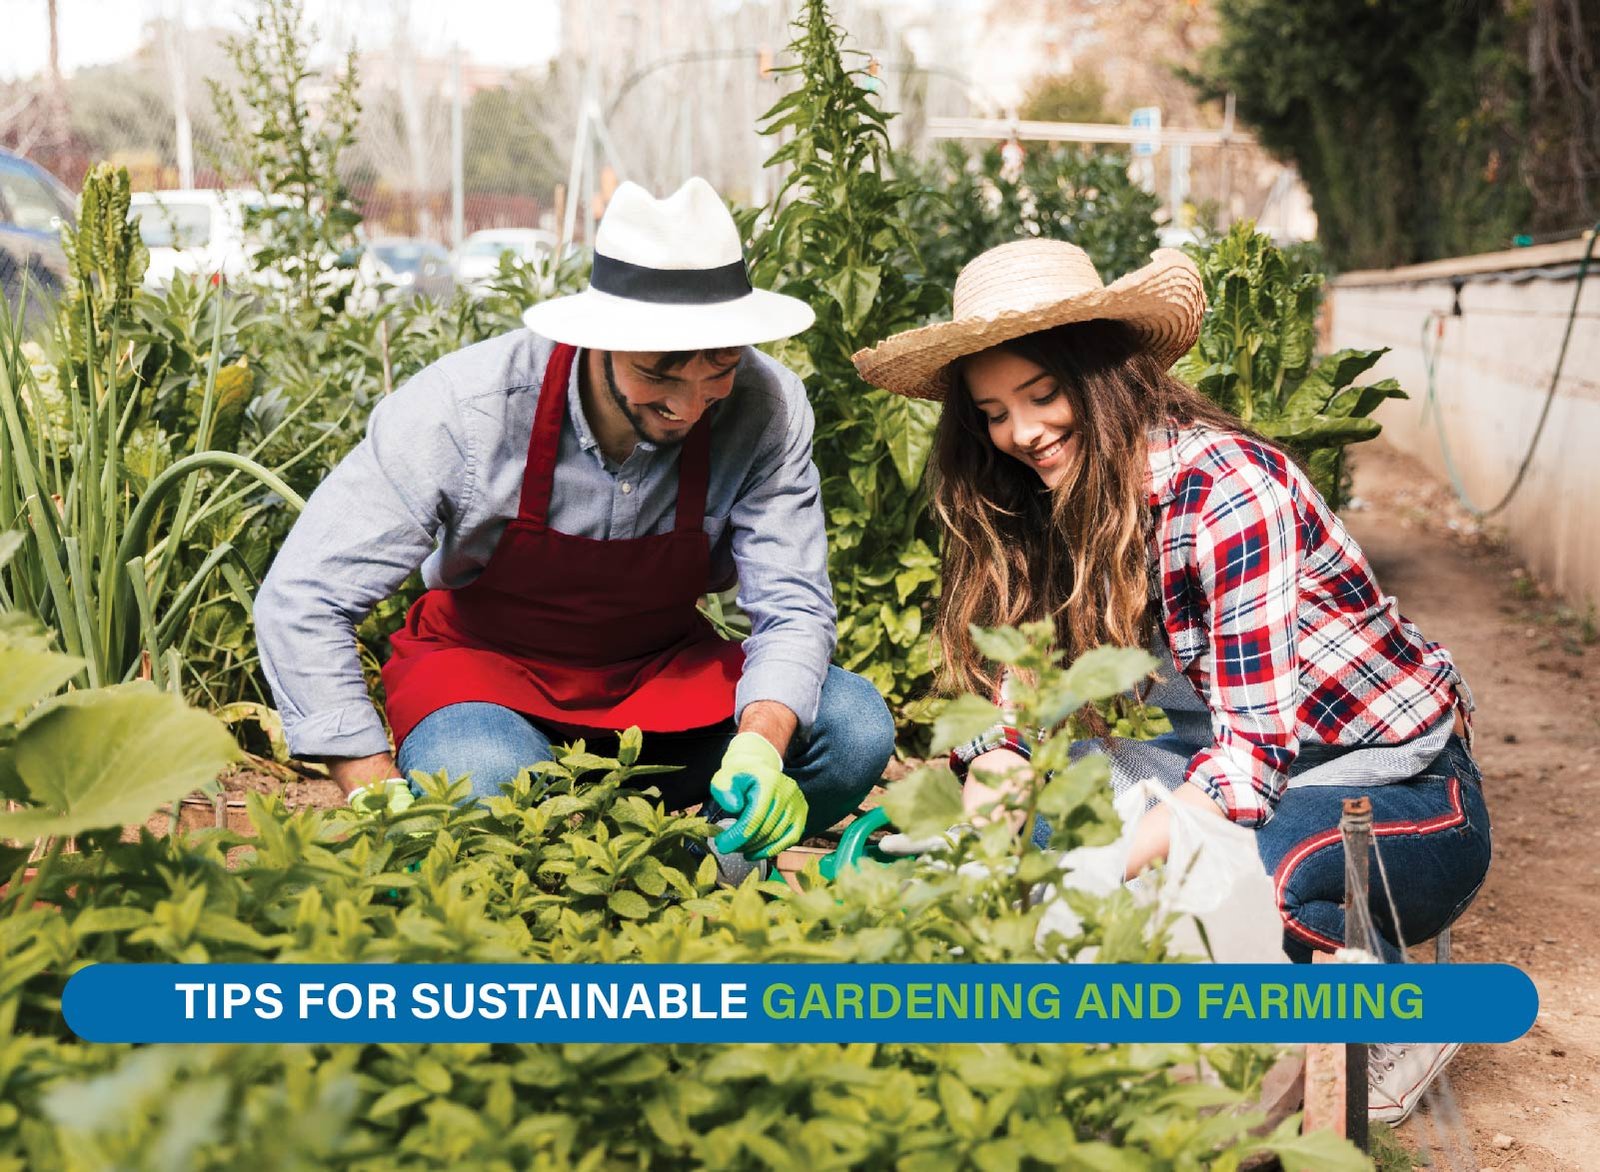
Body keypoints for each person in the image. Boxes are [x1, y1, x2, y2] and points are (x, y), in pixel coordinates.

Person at [851, 238, 1491, 1123]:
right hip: (1221, 755)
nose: (1023, 432)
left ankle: (1392, 1022)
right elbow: (1016, 726)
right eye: (995, 411)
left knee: (1241, 873)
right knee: (1037, 841)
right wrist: (980, 863)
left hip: (1390, 786)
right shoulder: (1037, 504)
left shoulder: (1223, 487)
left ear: (1106, 375)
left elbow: (1251, 762)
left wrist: (1113, 867)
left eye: (1043, 394)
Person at [254, 177, 894, 868]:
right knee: (488, 781)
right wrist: (372, 787)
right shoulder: (464, 409)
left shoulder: (767, 407)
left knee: (852, 727)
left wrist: (762, 742)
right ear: (599, 340)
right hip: (485, 681)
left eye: (720, 368)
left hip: (660, 679)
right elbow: (304, 599)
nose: (690, 405)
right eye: (660, 375)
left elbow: (794, 606)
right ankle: (593, 880)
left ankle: (683, 880)